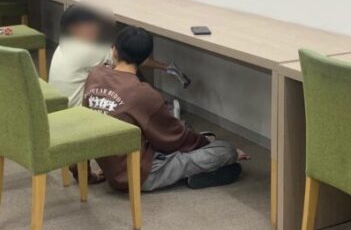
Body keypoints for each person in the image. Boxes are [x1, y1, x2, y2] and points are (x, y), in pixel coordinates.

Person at [82, 26, 243, 192]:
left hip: (111, 167)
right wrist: (207, 144)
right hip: (141, 174)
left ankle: (194, 170)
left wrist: (86, 176)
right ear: (145, 59)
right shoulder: (143, 93)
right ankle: (194, 173)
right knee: (226, 151)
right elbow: (176, 137)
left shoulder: (95, 75)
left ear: (114, 50)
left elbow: (81, 130)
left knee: (165, 133)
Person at [49, 4, 191, 109]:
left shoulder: (66, 44)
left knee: (120, 68)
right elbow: (128, 56)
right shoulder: (89, 51)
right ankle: (157, 106)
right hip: (79, 112)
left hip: (59, 109)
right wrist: (165, 67)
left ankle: (156, 104)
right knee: (127, 67)